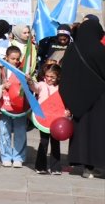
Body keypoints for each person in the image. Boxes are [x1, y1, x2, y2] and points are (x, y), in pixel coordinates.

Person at [60, 17, 105, 179]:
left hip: (78, 100)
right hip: (99, 99)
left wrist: (69, 100)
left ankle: (87, 168)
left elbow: (65, 76)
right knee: (98, 131)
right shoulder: (100, 49)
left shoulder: (72, 49)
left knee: (83, 132)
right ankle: (99, 164)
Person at [0, 46, 29, 168]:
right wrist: (3, 86)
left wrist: (29, 80)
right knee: (4, 132)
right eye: (12, 58)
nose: (15, 61)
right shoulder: (1, 71)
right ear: (6, 58)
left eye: (17, 59)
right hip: (4, 106)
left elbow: (28, 89)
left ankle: (18, 157)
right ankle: (5, 156)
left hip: (19, 108)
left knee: (20, 132)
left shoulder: (22, 71)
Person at [32, 63, 66, 174]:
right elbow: (34, 87)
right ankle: (40, 167)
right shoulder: (42, 84)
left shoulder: (61, 88)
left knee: (56, 143)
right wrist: (29, 81)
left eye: (52, 77)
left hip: (56, 119)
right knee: (44, 142)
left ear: (58, 77)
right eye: (47, 76)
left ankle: (55, 167)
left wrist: (67, 112)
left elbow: (64, 102)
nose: (49, 79)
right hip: (44, 119)